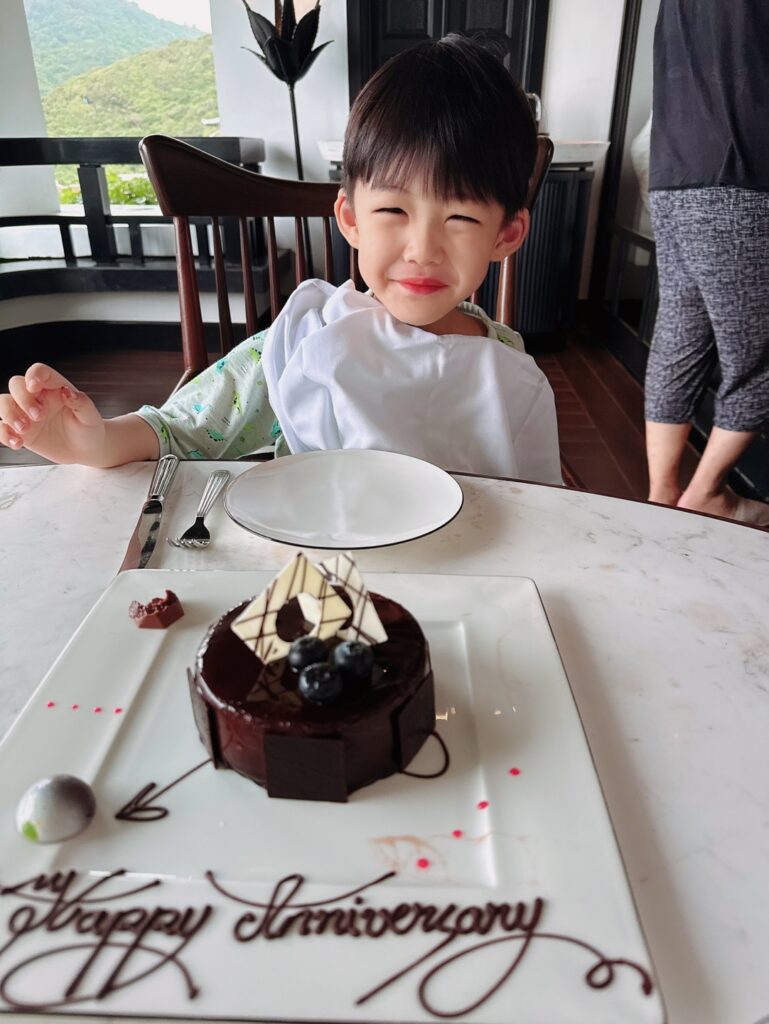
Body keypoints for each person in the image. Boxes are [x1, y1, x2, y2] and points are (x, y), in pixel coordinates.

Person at [0, 35, 562, 485]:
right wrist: (88, 442)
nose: (422, 248)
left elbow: (541, 501)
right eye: (393, 209)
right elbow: (179, 432)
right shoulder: (304, 342)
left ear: (506, 233)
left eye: (460, 218)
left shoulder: (507, 367)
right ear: (350, 219)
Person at [645, 0, 769, 524]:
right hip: (748, 171)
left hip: (674, 172)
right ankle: (706, 494)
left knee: (679, 337)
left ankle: (662, 493)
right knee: (759, 361)